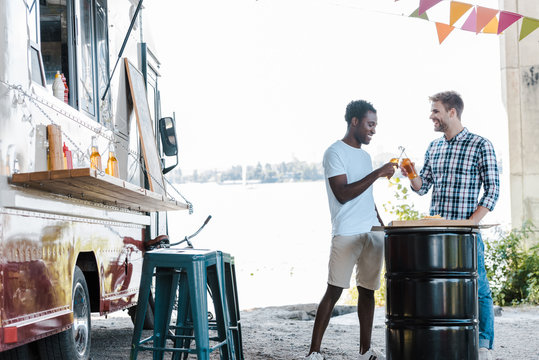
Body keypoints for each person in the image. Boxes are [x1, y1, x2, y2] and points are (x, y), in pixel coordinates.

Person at [401, 91, 499, 360]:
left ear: (452, 112)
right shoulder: (434, 147)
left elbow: (492, 191)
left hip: (465, 233)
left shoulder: (481, 145)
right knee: (438, 287)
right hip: (435, 233)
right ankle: (444, 337)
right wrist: (411, 175)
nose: (431, 116)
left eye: (435, 111)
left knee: (478, 288)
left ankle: (484, 344)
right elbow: (424, 187)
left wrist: (470, 224)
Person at [306, 100, 395, 360]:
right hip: (346, 232)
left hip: (372, 232)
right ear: (354, 121)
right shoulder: (334, 152)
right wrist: (378, 172)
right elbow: (343, 194)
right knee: (334, 290)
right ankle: (314, 352)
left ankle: (365, 351)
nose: (373, 130)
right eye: (370, 124)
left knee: (368, 291)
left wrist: (381, 224)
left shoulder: (365, 156)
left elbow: (366, 195)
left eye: (375, 125)